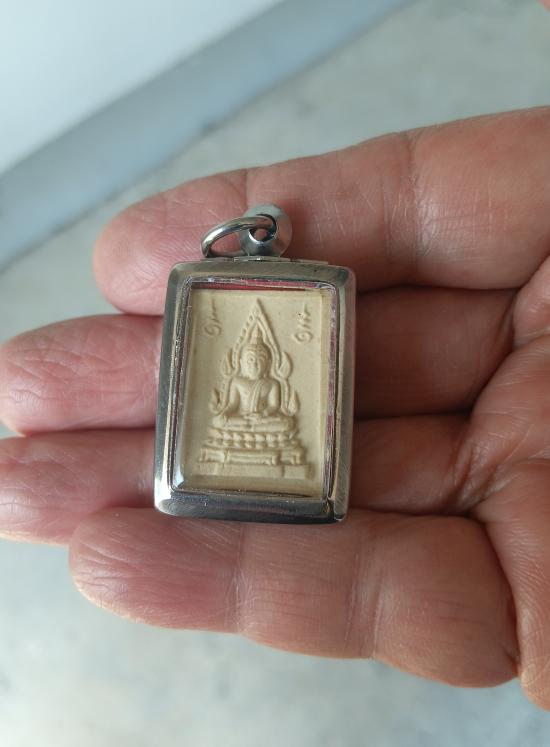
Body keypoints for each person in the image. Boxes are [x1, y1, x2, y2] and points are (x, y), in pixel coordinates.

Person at [2, 107, 550, 711]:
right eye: (250, 358)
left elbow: (283, 410)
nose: (254, 364)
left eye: (259, 358)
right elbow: (229, 411)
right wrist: (230, 404)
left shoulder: (274, 369)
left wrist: (277, 400)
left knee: (279, 422)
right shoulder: (241, 376)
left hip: (274, 436)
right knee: (235, 422)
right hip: (237, 436)